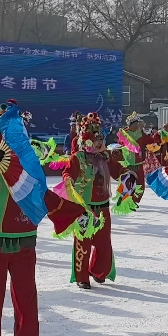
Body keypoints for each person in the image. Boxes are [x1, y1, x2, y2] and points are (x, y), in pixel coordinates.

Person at [0, 100, 92, 336]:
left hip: (23, 237)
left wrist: (75, 212)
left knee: (26, 292)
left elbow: (42, 196)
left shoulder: (27, 160)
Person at [61, 112, 129, 289]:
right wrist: (68, 180)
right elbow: (68, 172)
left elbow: (118, 170)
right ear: (85, 141)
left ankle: (98, 271)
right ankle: (81, 277)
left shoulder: (105, 157)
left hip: (102, 207)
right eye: (94, 139)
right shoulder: (78, 158)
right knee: (83, 243)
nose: (99, 143)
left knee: (103, 243)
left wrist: (126, 174)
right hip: (84, 208)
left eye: (100, 139)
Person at [116, 112, 158, 204]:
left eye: (138, 123)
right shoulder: (124, 134)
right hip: (128, 163)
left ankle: (133, 202)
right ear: (132, 124)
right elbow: (120, 144)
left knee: (140, 185)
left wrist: (158, 136)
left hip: (138, 163)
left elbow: (149, 140)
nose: (138, 125)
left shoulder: (140, 133)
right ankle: (123, 200)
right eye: (136, 123)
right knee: (126, 183)